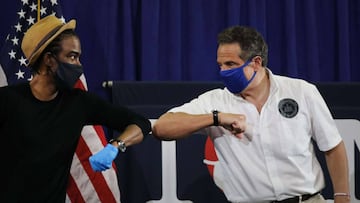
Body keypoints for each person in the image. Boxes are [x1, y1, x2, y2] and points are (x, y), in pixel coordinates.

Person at [152, 25, 350, 203]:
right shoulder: (216, 101)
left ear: (256, 62)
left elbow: (332, 146)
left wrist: (342, 197)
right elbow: (162, 128)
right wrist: (216, 118)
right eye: (220, 65)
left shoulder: (301, 91)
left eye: (230, 64)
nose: (223, 72)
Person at [0, 15, 151, 202]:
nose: (79, 65)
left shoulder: (78, 103)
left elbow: (140, 123)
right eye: (72, 57)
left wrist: (115, 146)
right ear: (49, 59)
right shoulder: (8, 101)